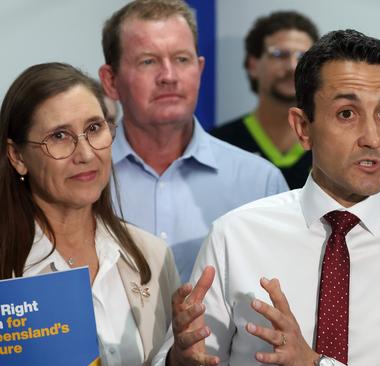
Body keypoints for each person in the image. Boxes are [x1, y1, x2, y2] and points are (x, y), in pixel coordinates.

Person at [153, 29, 380, 366]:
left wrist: (313, 364)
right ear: (303, 128)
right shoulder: (234, 236)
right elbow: (192, 356)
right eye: (347, 114)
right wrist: (179, 359)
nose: (372, 138)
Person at [0, 62, 180, 365]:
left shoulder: (152, 255)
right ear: (18, 157)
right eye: (59, 136)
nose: (85, 154)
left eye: (94, 128)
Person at [98, 0, 288, 282]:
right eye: (148, 61)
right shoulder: (82, 177)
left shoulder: (259, 183)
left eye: (181, 59)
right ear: (111, 81)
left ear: (199, 70)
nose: (169, 77)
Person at [211, 11, 319, 189]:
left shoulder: (330, 140)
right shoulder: (219, 143)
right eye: (279, 54)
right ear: (253, 65)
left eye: (302, 57)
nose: (292, 66)